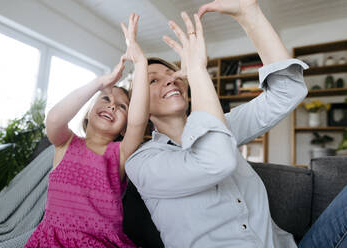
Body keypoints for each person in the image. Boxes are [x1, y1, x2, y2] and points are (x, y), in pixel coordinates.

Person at [125, 1, 346, 247]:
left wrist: (250, 15)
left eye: (174, 74)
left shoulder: (224, 125)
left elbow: (287, 92)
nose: (170, 80)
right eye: (153, 80)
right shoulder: (142, 164)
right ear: (139, 104)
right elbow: (215, 160)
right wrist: (198, 72)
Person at [25, 13, 148, 248]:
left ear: (124, 126)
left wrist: (141, 62)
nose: (112, 104)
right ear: (89, 111)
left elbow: (138, 122)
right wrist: (100, 83)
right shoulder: (65, 143)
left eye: (122, 106)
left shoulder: (119, 154)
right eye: (105, 99)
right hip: (53, 241)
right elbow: (54, 119)